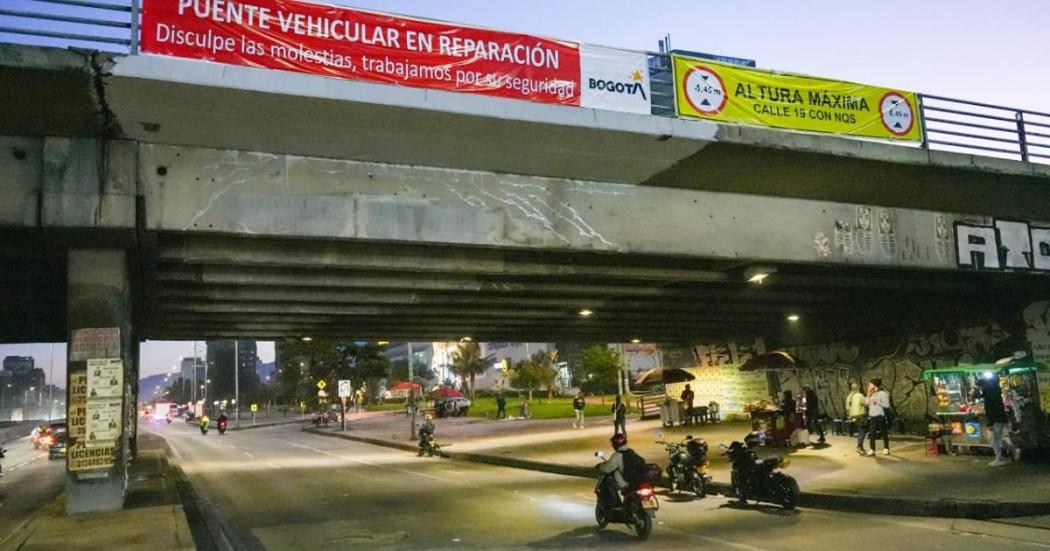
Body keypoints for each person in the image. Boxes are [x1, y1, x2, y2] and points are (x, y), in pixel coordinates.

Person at [978, 375, 1011, 466]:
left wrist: (991, 422)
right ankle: (1011, 452)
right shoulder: (995, 391)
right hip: (1000, 418)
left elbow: (991, 410)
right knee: (1000, 437)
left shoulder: (989, 396)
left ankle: (999, 457)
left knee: (995, 439)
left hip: (996, 419)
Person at [865, 378, 891, 456]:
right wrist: (868, 395)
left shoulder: (883, 393)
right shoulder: (871, 393)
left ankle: (886, 448)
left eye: (870, 384)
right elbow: (866, 403)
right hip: (872, 416)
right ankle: (872, 449)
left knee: (883, 433)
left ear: (874, 385)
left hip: (880, 416)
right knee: (872, 433)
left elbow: (886, 405)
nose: (869, 385)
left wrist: (877, 402)